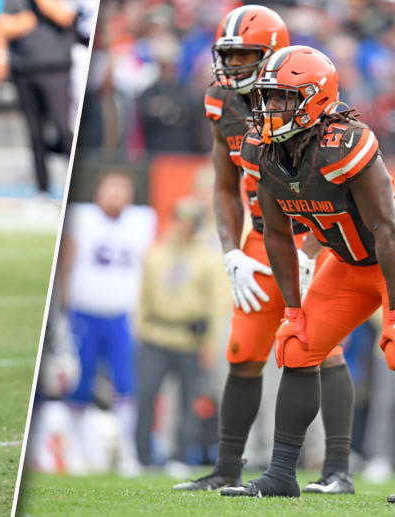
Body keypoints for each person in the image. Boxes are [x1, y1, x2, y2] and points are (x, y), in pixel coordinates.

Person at [220, 46, 395, 505]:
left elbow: (387, 229)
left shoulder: (345, 143)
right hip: (346, 262)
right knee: (297, 346)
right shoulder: (261, 150)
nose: (269, 109)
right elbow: (277, 235)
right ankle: (282, 474)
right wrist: (293, 309)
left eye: (283, 98)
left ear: (314, 99)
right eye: (267, 98)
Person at [174, 6, 356, 494]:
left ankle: (337, 469)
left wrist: (316, 247)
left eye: (246, 56)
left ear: (274, 55)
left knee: (324, 351)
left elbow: (342, 188)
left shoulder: (308, 100)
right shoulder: (220, 101)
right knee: (243, 351)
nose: (233, 68)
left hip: (315, 232)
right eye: (227, 57)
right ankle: (227, 468)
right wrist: (231, 251)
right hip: (261, 233)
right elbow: (225, 185)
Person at [58, 168, 156, 476]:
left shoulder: (142, 221)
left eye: (121, 189)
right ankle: (76, 451)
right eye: (110, 188)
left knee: (126, 385)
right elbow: (67, 261)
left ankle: (127, 452)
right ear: (98, 191)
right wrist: (61, 310)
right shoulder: (82, 217)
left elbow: (150, 266)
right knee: (79, 383)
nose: (115, 195)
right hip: (83, 313)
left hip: (121, 315)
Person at [134, 201, 220, 475]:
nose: (185, 226)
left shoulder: (206, 259)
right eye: (181, 219)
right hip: (156, 335)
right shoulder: (157, 254)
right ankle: (142, 456)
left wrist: (210, 342)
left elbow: (214, 304)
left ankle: (181, 455)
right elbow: (143, 295)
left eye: (190, 221)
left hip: (188, 338)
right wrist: (141, 329)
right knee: (147, 396)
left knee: (187, 401)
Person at [2, 0, 76, 198]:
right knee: (35, 133)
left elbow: (65, 16)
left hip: (56, 68)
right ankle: (42, 189)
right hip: (23, 67)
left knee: (63, 128)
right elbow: (2, 26)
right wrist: (22, 23)